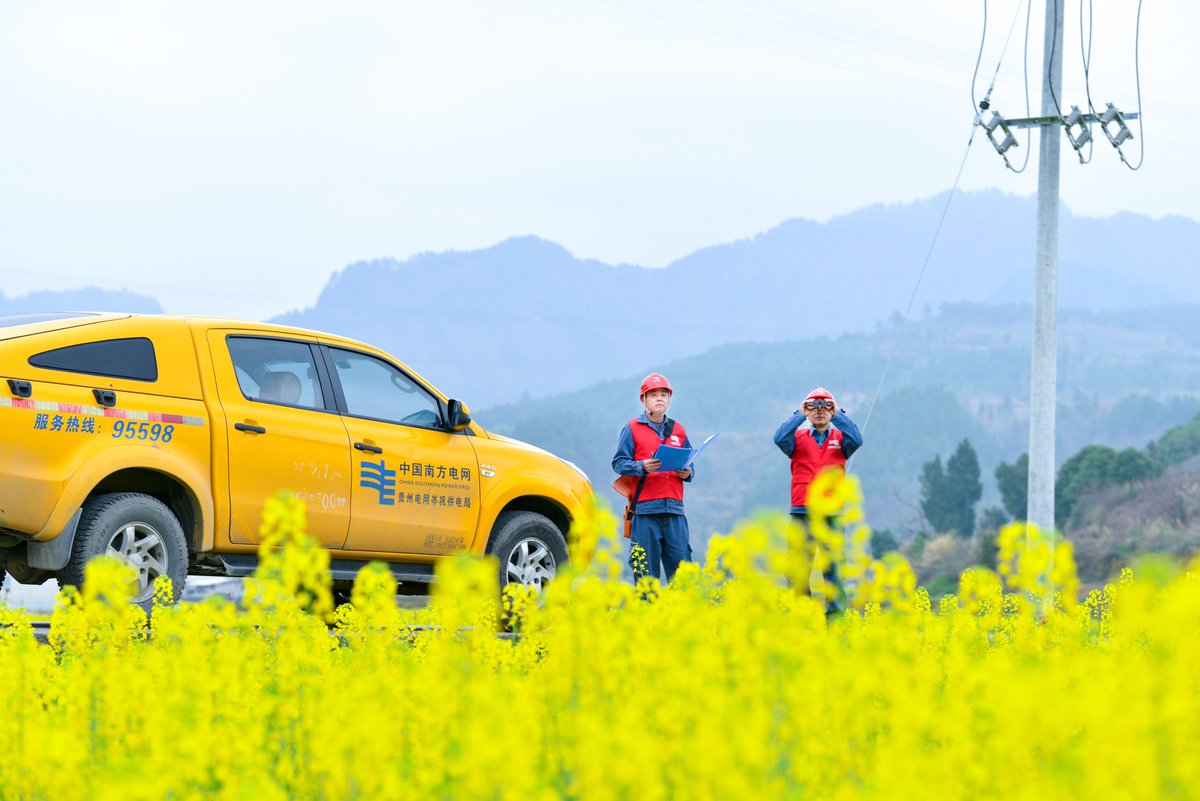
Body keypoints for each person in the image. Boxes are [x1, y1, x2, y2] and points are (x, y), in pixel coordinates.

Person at [773, 387, 863, 606]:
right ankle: (801, 617)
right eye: (814, 406)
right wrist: (800, 413)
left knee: (834, 570)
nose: (820, 410)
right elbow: (778, 438)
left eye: (826, 406)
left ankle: (835, 621)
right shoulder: (796, 439)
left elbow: (857, 439)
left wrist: (837, 412)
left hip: (831, 512)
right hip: (802, 511)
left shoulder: (842, 440)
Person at [611, 373, 695, 582]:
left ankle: (682, 616)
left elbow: (690, 460)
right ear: (643, 399)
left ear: (669, 399)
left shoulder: (678, 430)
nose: (659, 398)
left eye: (663, 395)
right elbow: (619, 463)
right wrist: (642, 466)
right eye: (654, 394)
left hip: (675, 511)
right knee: (645, 577)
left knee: (683, 577)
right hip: (646, 511)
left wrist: (688, 472)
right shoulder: (631, 428)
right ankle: (647, 614)